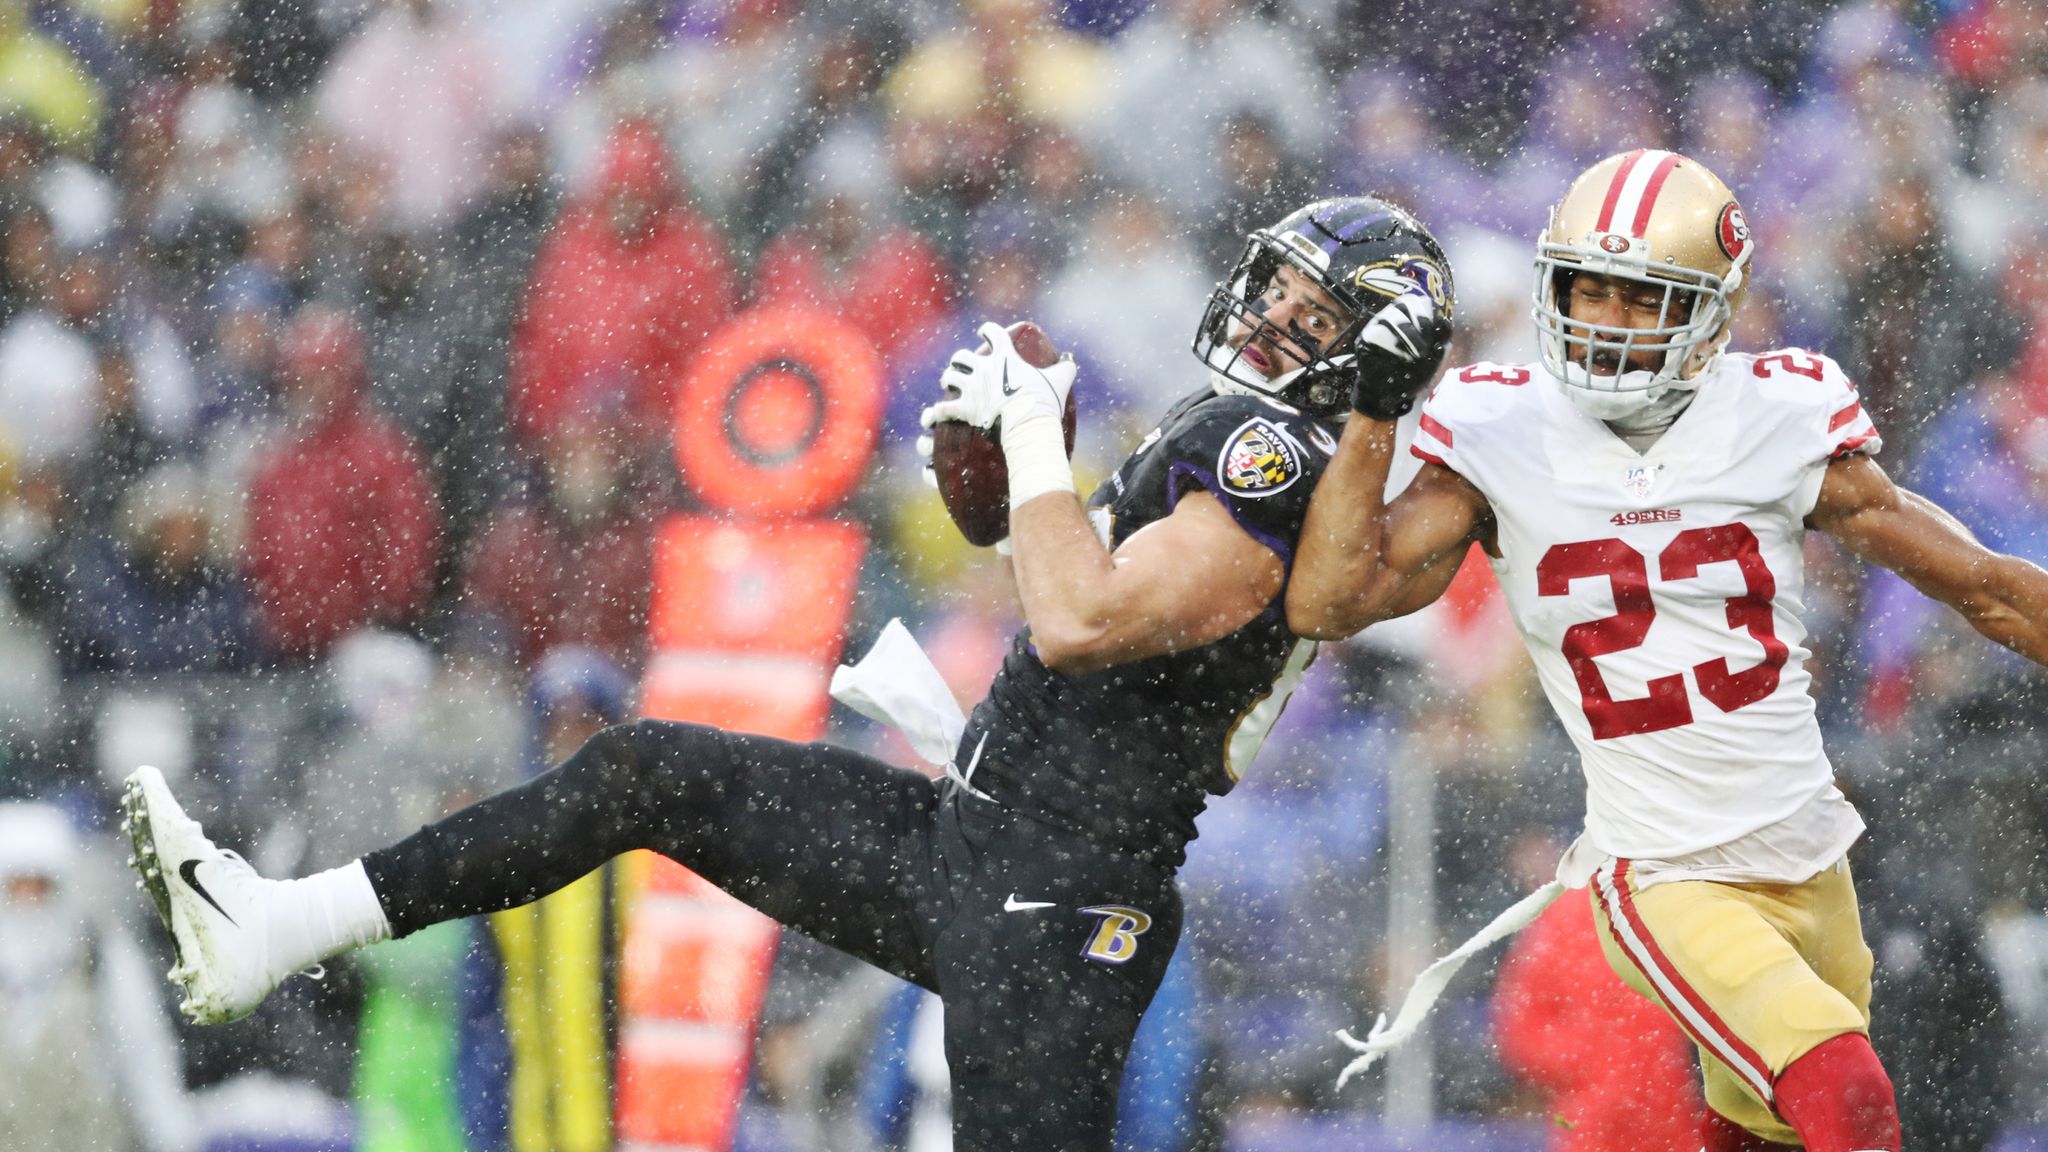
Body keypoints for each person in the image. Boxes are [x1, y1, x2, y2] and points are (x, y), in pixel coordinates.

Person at [121, 196, 1457, 1150]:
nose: (1278, 314)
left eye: (1317, 308)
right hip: (977, 843)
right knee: (650, 767)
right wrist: (997, 476)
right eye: (1277, 285)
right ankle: (281, 923)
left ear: (1375, 347)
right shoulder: (1258, 447)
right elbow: (1056, 585)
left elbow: (1079, 621)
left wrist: (1041, 450)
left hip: (1062, 902)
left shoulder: (1272, 462)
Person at [1285, 149, 2048, 1152]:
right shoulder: (1499, 426)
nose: (1602, 322)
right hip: (1663, 869)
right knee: (1848, 1100)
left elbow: (1985, 588)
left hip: (1809, 856)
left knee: (1753, 1133)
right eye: (1583, 290)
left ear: (1712, 313)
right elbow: (1332, 601)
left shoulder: (1775, 417)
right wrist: (1372, 420)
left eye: (1639, 299)